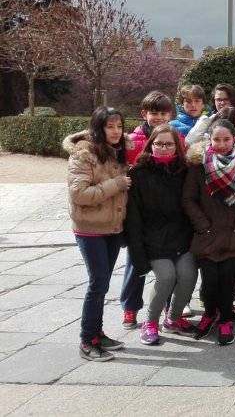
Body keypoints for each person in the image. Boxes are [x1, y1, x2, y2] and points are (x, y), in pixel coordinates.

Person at [182, 118, 235, 346]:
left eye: (226, 139)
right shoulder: (199, 163)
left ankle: (225, 319)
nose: (222, 144)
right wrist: (202, 225)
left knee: (227, 281)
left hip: (233, 231)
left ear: (234, 138)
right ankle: (209, 315)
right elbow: (189, 199)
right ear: (209, 139)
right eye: (217, 139)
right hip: (206, 233)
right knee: (210, 281)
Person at [64, 106, 131, 361]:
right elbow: (79, 194)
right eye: (109, 126)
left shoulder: (117, 153)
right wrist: (117, 184)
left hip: (112, 228)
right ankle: (86, 340)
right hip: (90, 228)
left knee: (102, 285)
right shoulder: (84, 155)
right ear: (98, 127)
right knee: (98, 283)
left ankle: (98, 333)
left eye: (119, 126)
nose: (115, 131)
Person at [125, 124, 197, 345]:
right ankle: (151, 322)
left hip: (181, 237)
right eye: (159, 144)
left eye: (169, 144)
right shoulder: (138, 173)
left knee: (188, 276)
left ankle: (173, 320)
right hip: (153, 239)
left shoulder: (186, 171)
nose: (164, 148)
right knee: (166, 277)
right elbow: (133, 216)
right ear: (150, 145)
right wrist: (137, 252)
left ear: (177, 146)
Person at [122, 91, 176, 330]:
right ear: (144, 114)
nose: (159, 117)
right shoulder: (132, 140)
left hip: (165, 212)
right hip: (139, 210)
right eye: (154, 113)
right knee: (136, 264)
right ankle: (130, 308)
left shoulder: (175, 137)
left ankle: (166, 304)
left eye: (163, 113)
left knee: (170, 263)